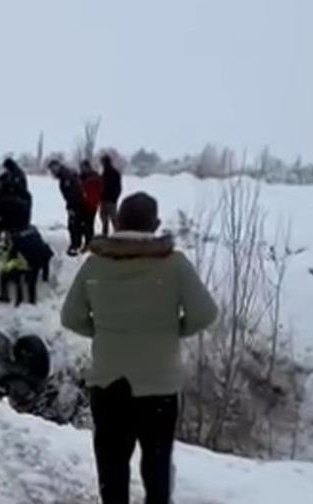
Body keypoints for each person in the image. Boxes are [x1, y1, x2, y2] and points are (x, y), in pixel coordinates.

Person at [61, 193, 218, 504]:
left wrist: (103, 333)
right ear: (156, 225)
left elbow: (71, 316)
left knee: (112, 461)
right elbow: (205, 313)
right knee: (157, 461)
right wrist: (173, 331)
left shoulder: (95, 265)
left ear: (117, 222)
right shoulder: (175, 265)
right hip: (159, 384)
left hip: (108, 382)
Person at [0, 225, 53, 305]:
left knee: (12, 275)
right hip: (45, 253)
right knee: (31, 278)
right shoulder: (32, 228)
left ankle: (9, 297)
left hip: (34, 260)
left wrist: (7, 263)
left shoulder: (15, 237)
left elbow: (12, 255)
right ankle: (44, 280)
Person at [49, 160, 87, 257]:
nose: (52, 172)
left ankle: (75, 246)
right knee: (75, 224)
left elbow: (74, 192)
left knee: (74, 225)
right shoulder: (65, 175)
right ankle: (76, 244)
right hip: (76, 203)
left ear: (57, 167)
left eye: (53, 169)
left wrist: (71, 206)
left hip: (76, 204)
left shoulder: (66, 176)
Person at [80, 160, 103, 247]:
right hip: (83, 204)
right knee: (85, 224)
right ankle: (87, 241)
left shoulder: (95, 177)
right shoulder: (81, 177)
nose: (82, 169)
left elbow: (101, 189)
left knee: (89, 224)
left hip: (92, 203)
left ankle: (89, 242)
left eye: (84, 167)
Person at [100, 154, 122, 237]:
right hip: (104, 199)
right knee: (104, 218)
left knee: (113, 218)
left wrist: (114, 198)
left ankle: (118, 234)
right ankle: (105, 233)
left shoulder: (114, 173)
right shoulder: (104, 173)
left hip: (111, 200)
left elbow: (118, 188)